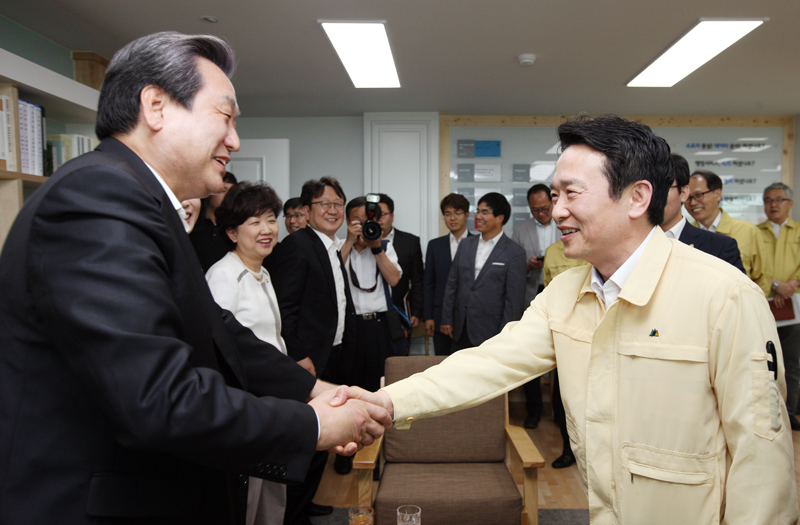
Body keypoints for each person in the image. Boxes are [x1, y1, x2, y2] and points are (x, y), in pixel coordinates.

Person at [0, 32, 389, 525]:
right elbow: (160, 397)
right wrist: (313, 424)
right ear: (156, 106)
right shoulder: (98, 195)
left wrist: (313, 390)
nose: (235, 140)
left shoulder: (142, 202)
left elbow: (218, 330)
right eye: (225, 117)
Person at [359, 115, 798, 524]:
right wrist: (382, 403)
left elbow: (763, 464)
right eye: (555, 195)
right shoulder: (565, 294)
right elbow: (487, 365)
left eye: (572, 193)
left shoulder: (724, 295)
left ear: (637, 197)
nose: (558, 210)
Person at [264, 176, 358, 517]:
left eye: (337, 204)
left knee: (323, 437)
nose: (333, 211)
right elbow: (284, 309)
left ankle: (308, 503)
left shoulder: (329, 245)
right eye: (325, 204)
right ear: (306, 210)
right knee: (306, 437)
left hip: (329, 356)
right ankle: (294, 513)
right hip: (307, 362)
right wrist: (299, 355)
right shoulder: (298, 245)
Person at [205, 181, 291, 525]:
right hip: (247, 407)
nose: (267, 229)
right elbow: (221, 352)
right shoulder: (224, 277)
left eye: (271, 219)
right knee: (247, 504)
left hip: (274, 402)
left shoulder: (263, 272)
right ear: (231, 232)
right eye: (254, 222)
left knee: (272, 498)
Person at [440, 192, 527, 351]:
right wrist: (447, 319)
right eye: (478, 211)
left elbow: (513, 301)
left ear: (500, 218)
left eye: (484, 212)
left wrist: (505, 335)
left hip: (492, 331)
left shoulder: (515, 252)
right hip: (461, 328)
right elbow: (452, 284)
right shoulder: (466, 245)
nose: (478, 216)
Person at [512, 183, 561, 429]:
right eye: (535, 210)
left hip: (560, 294)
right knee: (530, 353)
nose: (541, 214)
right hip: (532, 293)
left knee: (562, 355)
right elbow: (512, 264)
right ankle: (534, 410)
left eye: (545, 208)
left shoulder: (567, 224)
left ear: (553, 203)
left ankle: (561, 413)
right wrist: (527, 265)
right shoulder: (520, 230)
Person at [757, 182, 800, 431]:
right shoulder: (755, 231)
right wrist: (775, 284)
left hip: (794, 304)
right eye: (768, 200)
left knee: (792, 362)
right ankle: (768, 412)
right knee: (766, 360)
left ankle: (790, 411)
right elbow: (753, 263)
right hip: (766, 301)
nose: (773, 205)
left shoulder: (797, 231)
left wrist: (792, 283)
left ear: (790, 204)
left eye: (779, 200)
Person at [686, 169, 768, 293]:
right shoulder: (684, 233)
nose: (692, 202)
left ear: (718, 194)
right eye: (688, 197)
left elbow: (763, 280)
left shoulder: (748, 231)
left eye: (698, 195)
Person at [661, 155, 744, 272]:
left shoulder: (721, 246)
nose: (653, 196)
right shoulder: (633, 243)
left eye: (663, 188)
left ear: (683, 192)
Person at [423, 193, 473, 355]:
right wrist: (428, 316)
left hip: (469, 318)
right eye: (447, 214)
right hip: (439, 316)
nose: (452, 218)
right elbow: (428, 283)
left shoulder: (478, 243)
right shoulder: (435, 246)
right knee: (442, 363)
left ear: (466, 215)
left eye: (457, 213)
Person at [378, 194, 424, 327]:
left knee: (401, 347)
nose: (378, 220)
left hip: (400, 310)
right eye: (374, 215)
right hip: (370, 313)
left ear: (392, 217)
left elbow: (417, 280)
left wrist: (417, 311)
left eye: (382, 215)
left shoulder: (410, 242)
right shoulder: (361, 242)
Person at [189, 171, 238, 271]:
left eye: (231, 192)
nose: (227, 196)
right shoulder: (192, 225)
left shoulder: (234, 229)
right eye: (224, 190)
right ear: (210, 193)